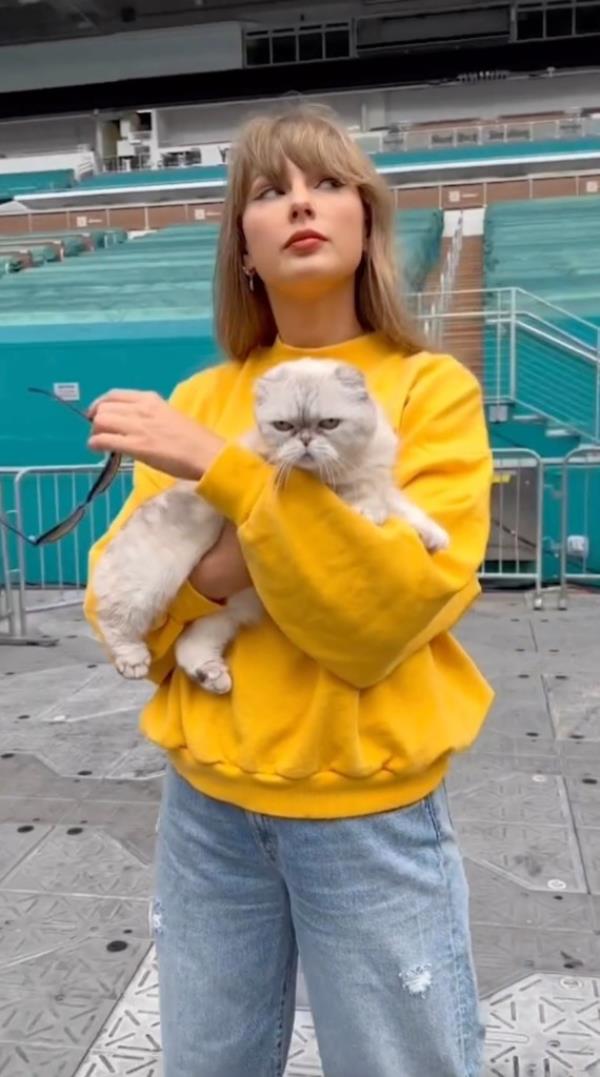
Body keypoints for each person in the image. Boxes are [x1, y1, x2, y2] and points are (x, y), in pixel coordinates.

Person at [83, 104, 494, 1077]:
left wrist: (223, 482)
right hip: (205, 812)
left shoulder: (430, 392)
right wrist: (222, 570)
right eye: (269, 193)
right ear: (244, 249)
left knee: (404, 1064)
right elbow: (115, 608)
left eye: (327, 183)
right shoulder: (200, 400)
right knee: (209, 1063)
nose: (300, 205)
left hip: (368, 814)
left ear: (366, 223)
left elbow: (376, 617)